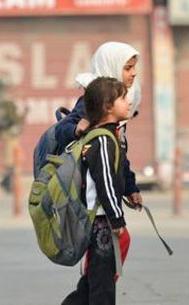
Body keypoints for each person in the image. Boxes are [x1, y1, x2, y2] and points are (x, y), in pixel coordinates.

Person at [62, 77, 132, 305]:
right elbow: (106, 183)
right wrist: (117, 218)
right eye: (123, 98)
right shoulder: (102, 141)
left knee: (92, 284)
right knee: (102, 286)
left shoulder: (109, 136)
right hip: (101, 222)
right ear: (107, 107)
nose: (128, 101)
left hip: (100, 221)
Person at [55, 41, 143, 208]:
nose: (134, 73)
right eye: (127, 68)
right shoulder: (95, 101)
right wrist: (76, 129)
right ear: (112, 67)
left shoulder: (117, 103)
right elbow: (61, 130)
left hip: (104, 199)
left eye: (133, 67)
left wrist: (130, 187)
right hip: (87, 201)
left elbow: (118, 152)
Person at [0, 77, 27, 192]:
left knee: (9, 158)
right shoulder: (6, 101)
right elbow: (13, 118)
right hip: (10, 132)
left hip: (5, 132)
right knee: (11, 160)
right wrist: (23, 115)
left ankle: (7, 183)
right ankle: (7, 184)